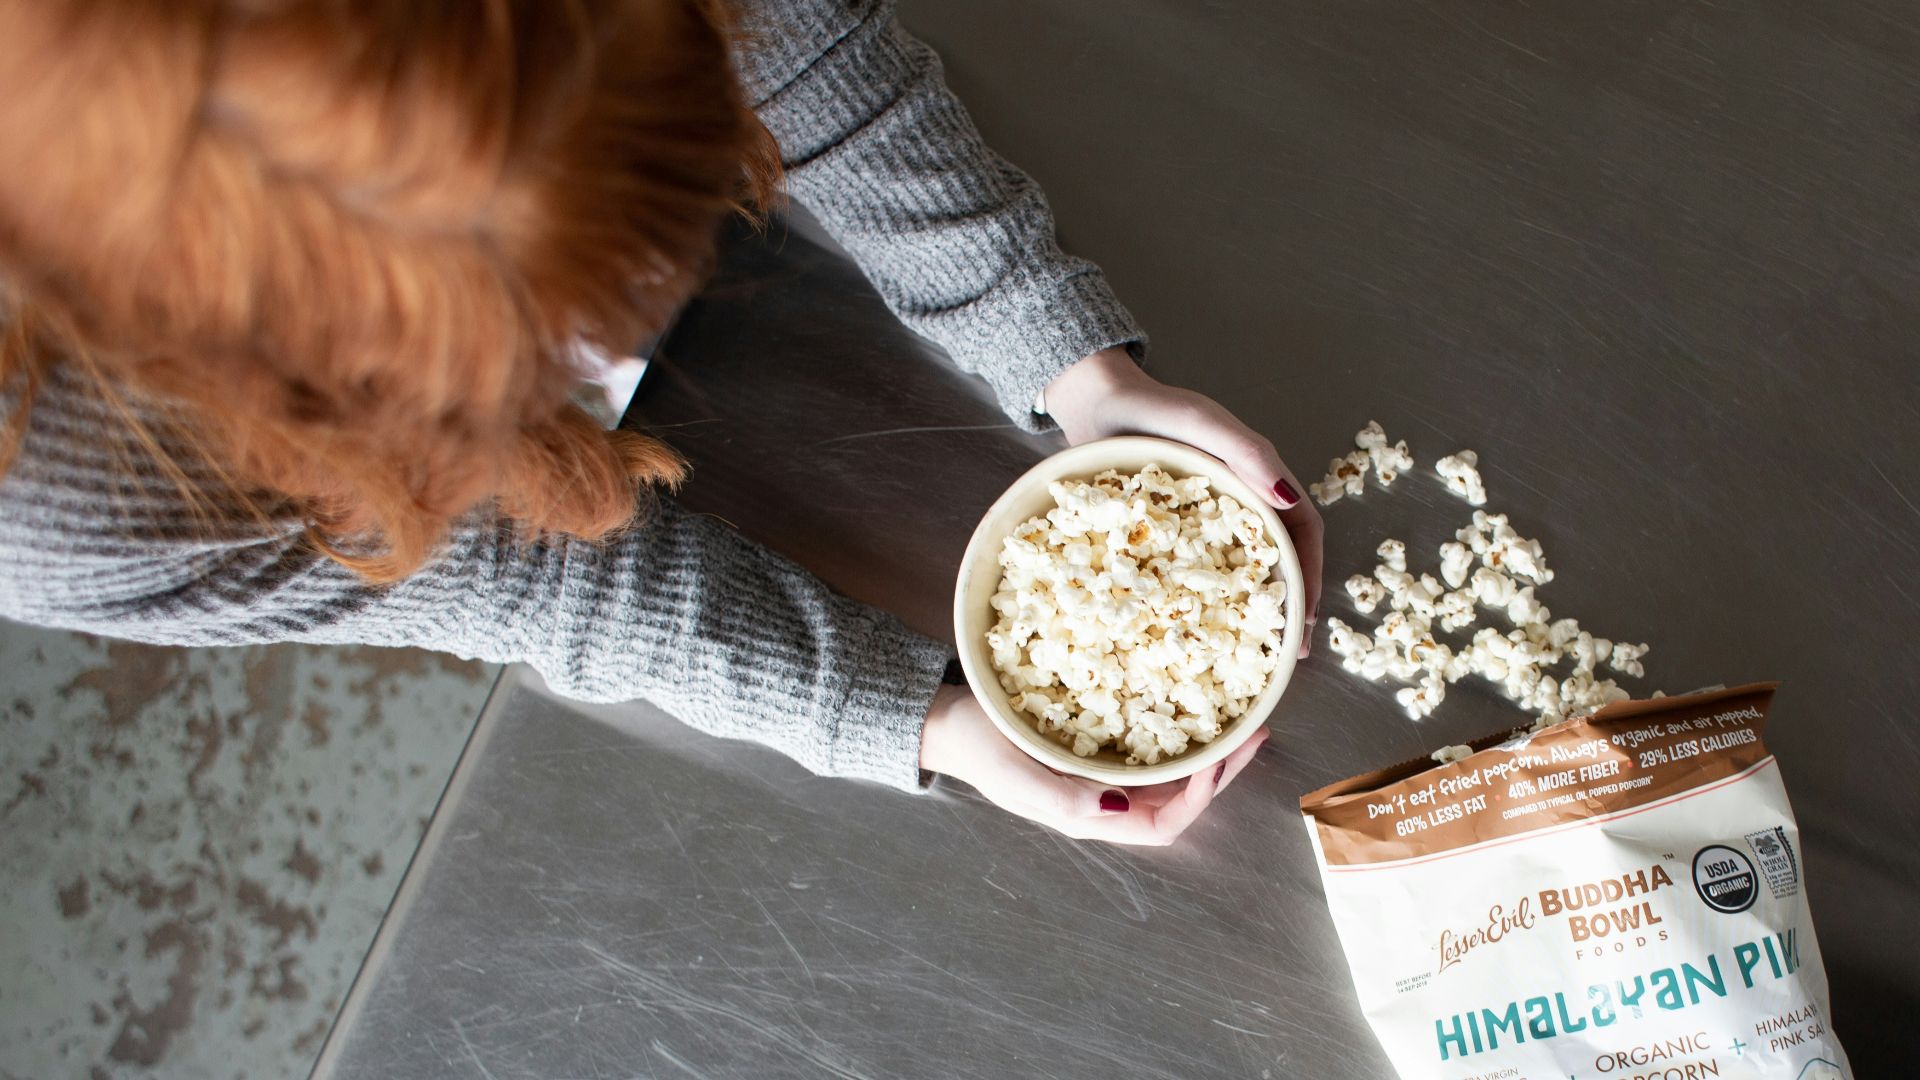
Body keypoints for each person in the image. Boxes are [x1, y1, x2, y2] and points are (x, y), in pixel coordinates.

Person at [0, 0, 1322, 845]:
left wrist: (1080, 367)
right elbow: (493, 570)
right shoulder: (56, 505)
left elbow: (794, 41)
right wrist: (919, 720)